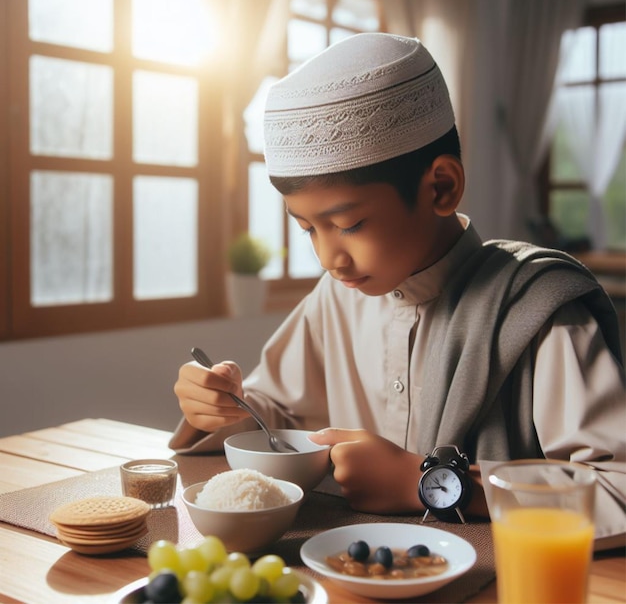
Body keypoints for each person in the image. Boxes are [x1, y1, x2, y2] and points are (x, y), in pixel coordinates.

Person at [170, 33, 626, 548]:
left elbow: (616, 490)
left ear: (441, 188)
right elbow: (276, 418)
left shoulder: (540, 307)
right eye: (307, 229)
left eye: (349, 223)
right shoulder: (336, 297)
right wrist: (221, 407)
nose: (328, 258)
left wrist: (429, 485)